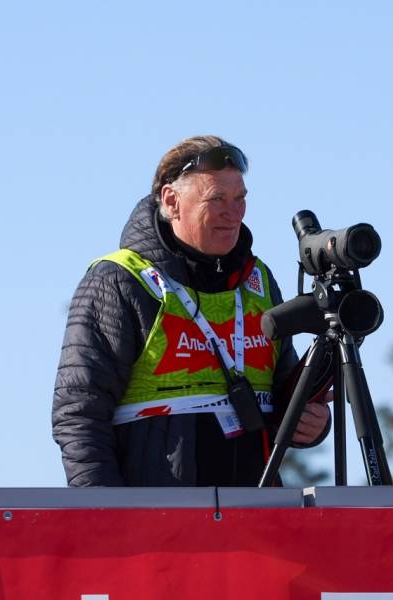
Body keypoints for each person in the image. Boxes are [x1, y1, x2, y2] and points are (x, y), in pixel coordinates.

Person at [52, 136, 330, 487]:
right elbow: (78, 413)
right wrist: (105, 509)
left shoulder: (257, 279)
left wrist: (312, 422)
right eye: (217, 199)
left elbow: (283, 394)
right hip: (158, 513)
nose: (234, 214)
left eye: (240, 199)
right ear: (172, 201)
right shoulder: (120, 279)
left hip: (257, 507)